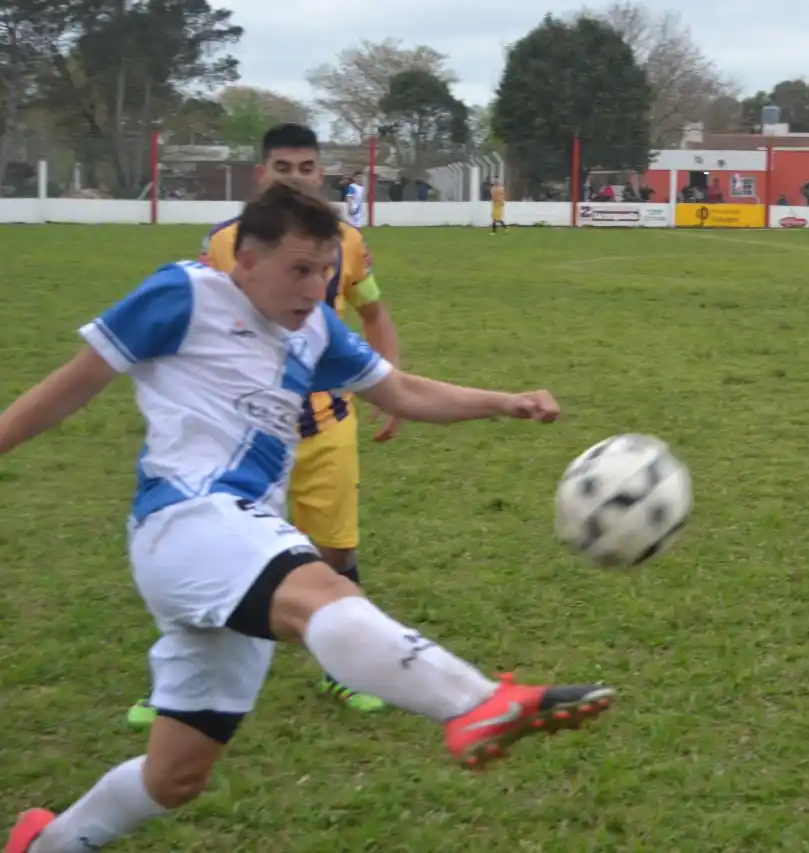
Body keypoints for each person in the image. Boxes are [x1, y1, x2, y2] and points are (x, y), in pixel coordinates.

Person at [1, 179, 615, 853]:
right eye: (300, 269)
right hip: (186, 518)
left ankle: (44, 842)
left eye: (326, 270)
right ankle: (474, 703)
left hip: (228, 547)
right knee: (326, 590)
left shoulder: (316, 329)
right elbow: (74, 383)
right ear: (246, 260)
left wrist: (505, 401)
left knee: (175, 774)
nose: (315, 287)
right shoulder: (185, 293)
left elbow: (402, 389)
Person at [126, 123, 401, 730]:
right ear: (261, 173)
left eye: (306, 167)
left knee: (336, 551)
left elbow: (375, 313)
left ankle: (344, 671)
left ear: (320, 173)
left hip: (327, 420)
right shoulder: (227, 243)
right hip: (241, 429)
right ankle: (173, 685)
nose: (295, 176)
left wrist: (393, 392)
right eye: (283, 166)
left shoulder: (348, 242)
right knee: (208, 554)